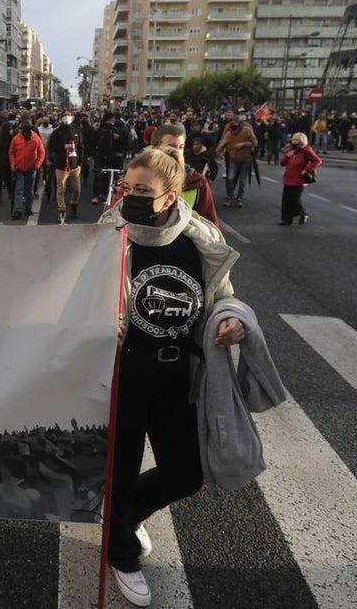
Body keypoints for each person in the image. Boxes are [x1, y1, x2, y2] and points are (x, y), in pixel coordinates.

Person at [98, 148, 245, 608]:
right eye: (127, 187)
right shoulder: (108, 234)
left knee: (185, 474)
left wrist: (231, 320)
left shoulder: (199, 239)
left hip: (177, 373)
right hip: (123, 372)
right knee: (119, 470)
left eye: (143, 190)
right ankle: (121, 554)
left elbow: (224, 296)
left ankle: (129, 515)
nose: (131, 196)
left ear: (170, 195)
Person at [151, 123, 219, 226]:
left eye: (180, 147)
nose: (177, 152)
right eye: (171, 147)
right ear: (154, 148)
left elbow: (210, 224)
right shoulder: (136, 179)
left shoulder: (197, 181)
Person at [278, 132, 322, 226]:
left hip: (299, 179)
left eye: (296, 140)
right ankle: (287, 219)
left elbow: (317, 160)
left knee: (295, 199)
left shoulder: (306, 150)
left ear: (301, 141)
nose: (293, 142)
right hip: (288, 177)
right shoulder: (290, 150)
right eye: (293, 140)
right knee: (286, 200)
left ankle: (303, 213)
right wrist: (287, 156)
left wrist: (306, 170)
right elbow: (282, 163)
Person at [47, 110, 84, 221]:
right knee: (61, 189)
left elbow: (81, 147)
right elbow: (51, 147)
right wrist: (62, 147)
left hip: (74, 165)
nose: (67, 117)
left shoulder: (76, 130)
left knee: (76, 189)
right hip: (61, 165)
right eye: (65, 115)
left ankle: (74, 204)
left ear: (72, 117)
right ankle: (62, 211)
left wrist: (80, 162)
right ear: (61, 117)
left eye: (69, 115)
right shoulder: (56, 132)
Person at [214, 114, 256, 208]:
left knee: (242, 180)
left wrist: (244, 144)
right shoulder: (229, 134)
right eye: (231, 126)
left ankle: (239, 198)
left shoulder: (247, 130)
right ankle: (230, 196)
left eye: (235, 126)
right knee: (230, 178)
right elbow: (222, 144)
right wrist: (216, 153)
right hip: (233, 160)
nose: (233, 129)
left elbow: (255, 142)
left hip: (246, 159)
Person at [9, 119, 46, 221]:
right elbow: (11, 152)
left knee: (29, 190)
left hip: (31, 168)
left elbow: (42, 152)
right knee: (19, 189)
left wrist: (37, 165)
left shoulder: (36, 138)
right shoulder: (16, 139)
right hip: (20, 168)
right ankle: (18, 210)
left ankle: (28, 207)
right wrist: (13, 163)